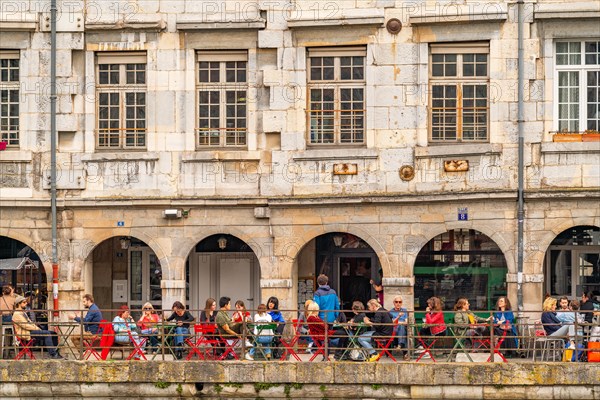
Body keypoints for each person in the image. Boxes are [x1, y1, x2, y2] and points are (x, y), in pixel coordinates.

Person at [389, 296, 409, 360]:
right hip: (394, 330)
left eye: (400, 302)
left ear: (401, 303)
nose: (398, 303)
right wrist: (399, 317)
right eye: (396, 302)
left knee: (402, 327)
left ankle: (399, 345)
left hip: (403, 329)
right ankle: (405, 353)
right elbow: (391, 322)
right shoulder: (390, 312)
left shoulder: (405, 311)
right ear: (393, 303)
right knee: (401, 328)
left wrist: (399, 323)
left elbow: (406, 322)